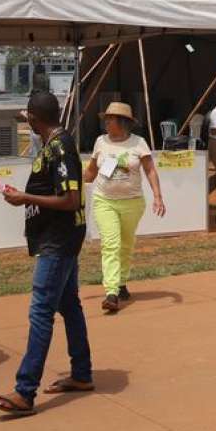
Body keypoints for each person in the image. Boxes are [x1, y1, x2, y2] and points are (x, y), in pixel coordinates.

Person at [0, 91, 92, 417]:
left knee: (41, 311)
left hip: (58, 241)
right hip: (58, 238)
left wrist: (25, 198)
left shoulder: (60, 148)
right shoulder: (53, 145)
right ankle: (81, 373)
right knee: (68, 304)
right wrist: (26, 196)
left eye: (26, 117)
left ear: (33, 118)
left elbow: (70, 200)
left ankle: (24, 391)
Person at [84, 102, 166, 313]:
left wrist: (158, 196)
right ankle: (111, 292)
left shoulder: (138, 143)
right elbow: (91, 172)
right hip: (104, 201)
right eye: (106, 118)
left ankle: (121, 283)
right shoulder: (100, 142)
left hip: (132, 202)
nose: (107, 122)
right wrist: (71, 183)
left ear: (123, 122)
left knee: (126, 244)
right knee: (111, 244)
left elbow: (150, 171)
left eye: (111, 119)